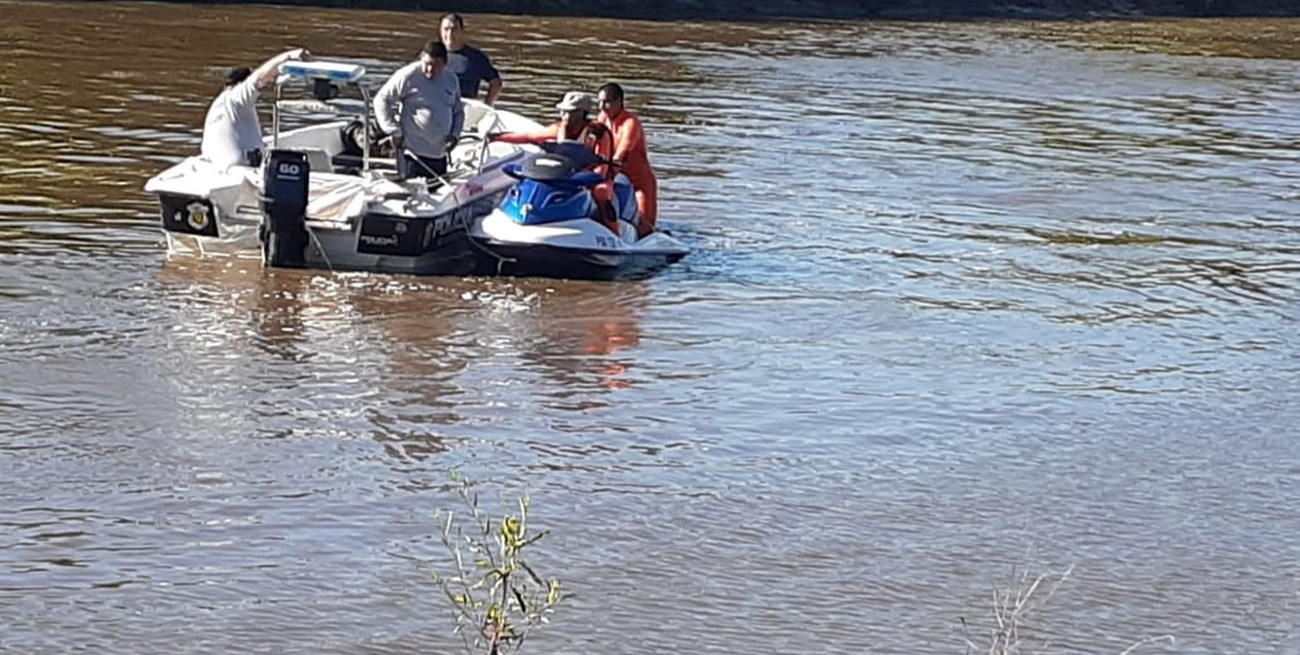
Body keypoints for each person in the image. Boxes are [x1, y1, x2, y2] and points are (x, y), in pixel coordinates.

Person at [200, 47, 309, 169]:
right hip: (241, 169)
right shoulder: (236, 97)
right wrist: (288, 56)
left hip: (216, 166)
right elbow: (259, 78)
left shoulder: (219, 105)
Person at [373, 40, 464, 181]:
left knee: (437, 189)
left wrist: (455, 135)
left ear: (445, 64)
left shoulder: (451, 79)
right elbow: (381, 100)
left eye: (435, 66)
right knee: (413, 189)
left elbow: (458, 112)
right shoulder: (408, 76)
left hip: (439, 153)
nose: (430, 69)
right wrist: (393, 130)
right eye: (427, 64)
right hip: (412, 153)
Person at [596, 82, 658, 237]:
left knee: (645, 230)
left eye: (607, 102)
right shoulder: (602, 118)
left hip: (639, 184)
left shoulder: (631, 122)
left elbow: (624, 147)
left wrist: (615, 161)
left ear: (619, 102)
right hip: (617, 180)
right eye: (600, 102)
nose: (602, 107)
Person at [489, 91, 609, 153]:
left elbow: (603, 165)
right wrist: (495, 138)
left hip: (590, 176)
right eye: (563, 111)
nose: (564, 116)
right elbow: (528, 137)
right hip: (565, 174)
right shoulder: (558, 129)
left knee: (601, 190)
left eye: (570, 112)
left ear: (582, 113)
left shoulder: (598, 132)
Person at [440, 13, 502, 105]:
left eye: (454, 29)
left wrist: (487, 105)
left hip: (466, 108)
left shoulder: (476, 58)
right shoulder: (432, 55)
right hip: (438, 107)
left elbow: (496, 82)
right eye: (446, 29)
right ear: (440, 31)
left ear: (462, 31)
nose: (450, 34)